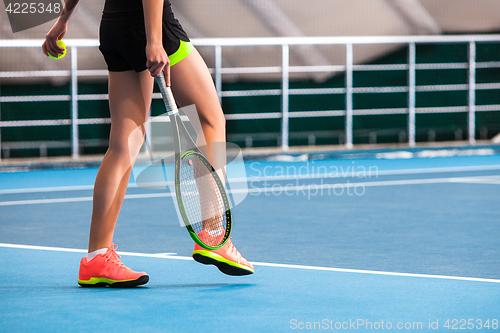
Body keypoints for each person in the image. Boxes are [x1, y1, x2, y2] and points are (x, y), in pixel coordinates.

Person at [42, 0, 254, 288]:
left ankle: (96, 258)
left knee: (123, 144)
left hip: (113, 27)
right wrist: (155, 39)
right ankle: (213, 233)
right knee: (211, 119)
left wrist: (63, 19)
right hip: (151, 27)